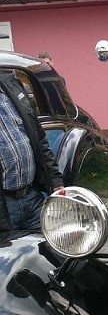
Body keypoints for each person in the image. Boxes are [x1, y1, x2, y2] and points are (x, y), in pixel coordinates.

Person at [0, 72, 64, 234]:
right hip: (4, 208)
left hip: (32, 196)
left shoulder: (10, 84)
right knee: (10, 258)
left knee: (56, 251)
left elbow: (38, 138)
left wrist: (55, 181)